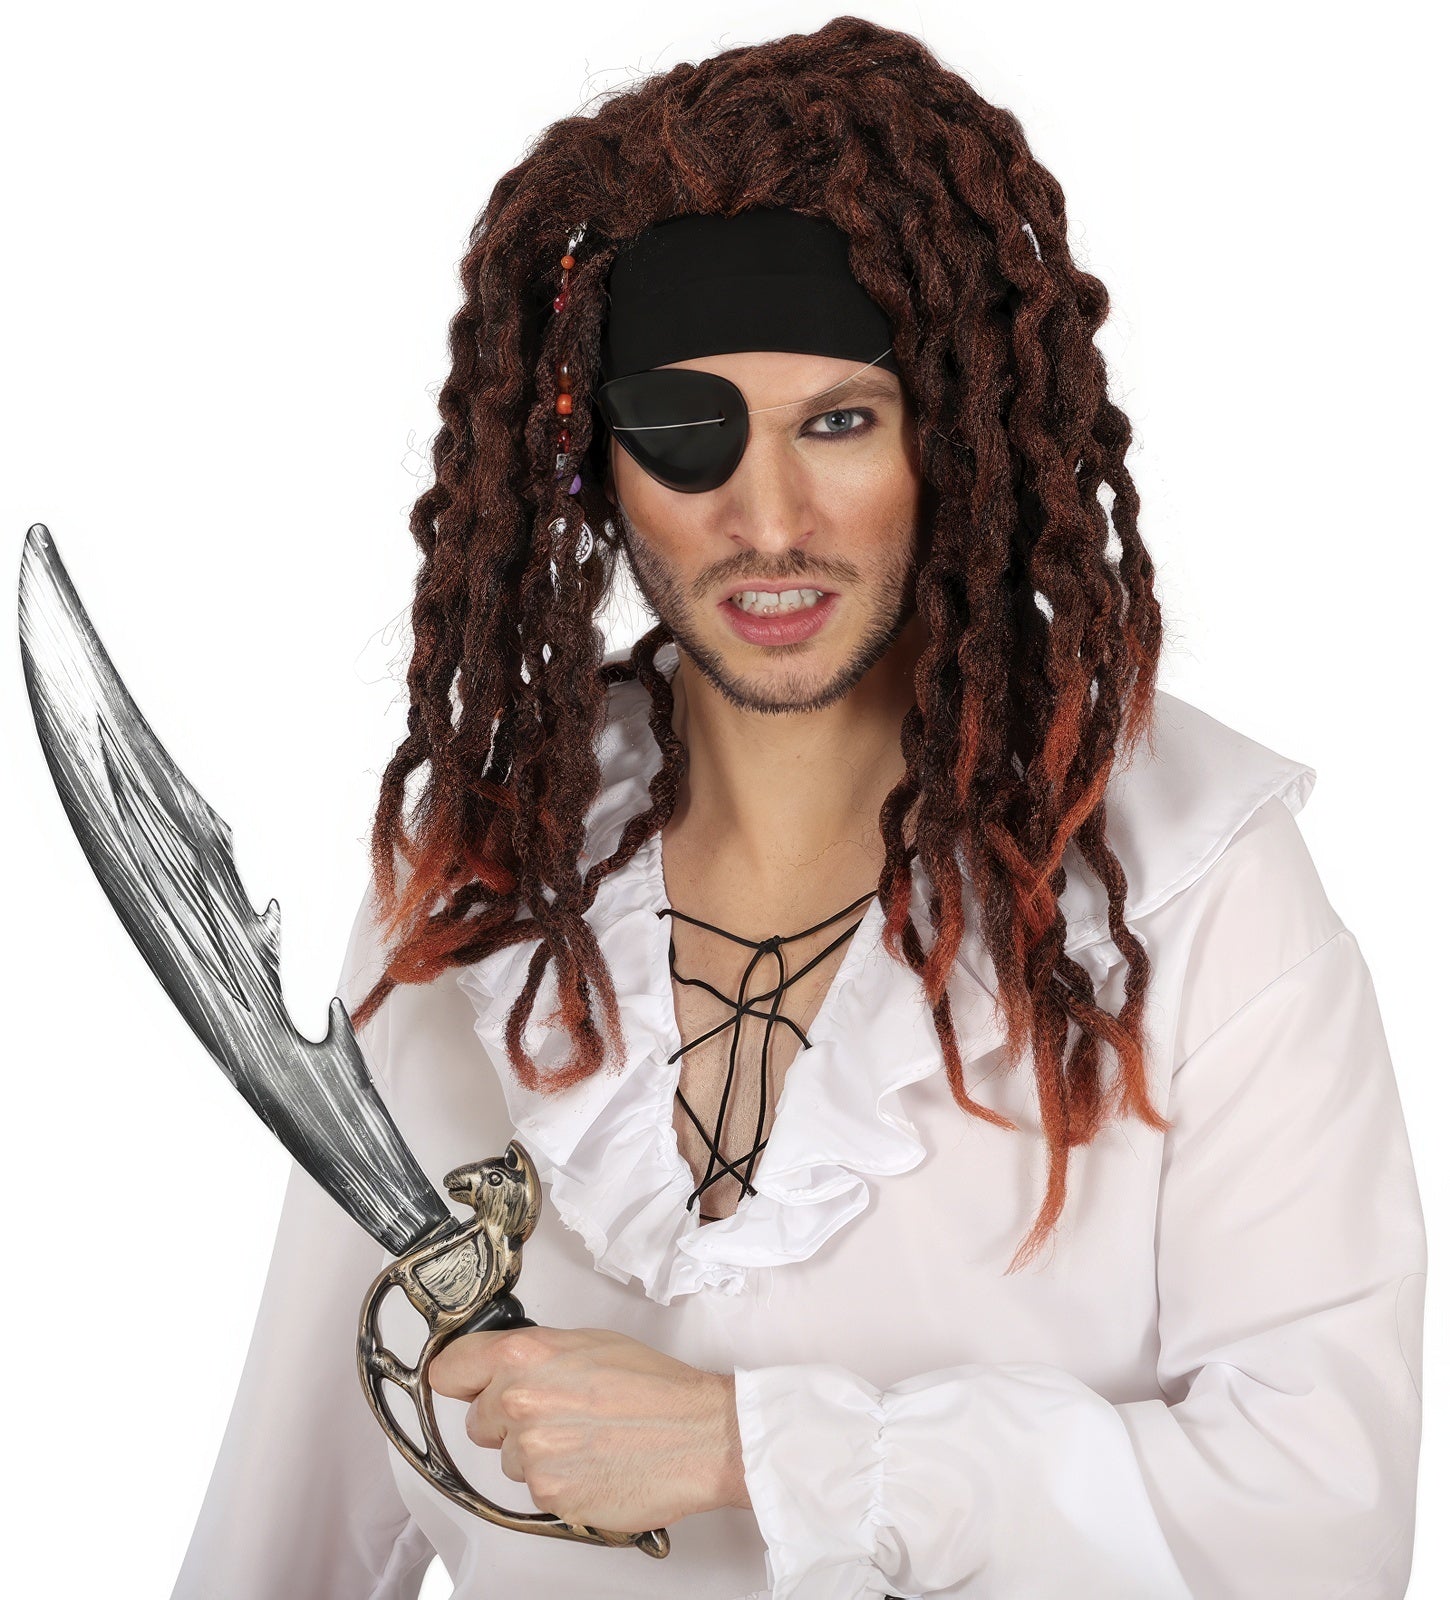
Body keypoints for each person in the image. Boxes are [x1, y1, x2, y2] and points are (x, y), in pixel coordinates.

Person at [172, 17, 1426, 1600]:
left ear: (948, 441)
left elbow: (1319, 1521)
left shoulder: (1189, 886)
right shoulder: (488, 888)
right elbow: (290, 1519)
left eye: (839, 422)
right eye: (685, 434)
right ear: (595, 463)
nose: (768, 523)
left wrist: (759, 1452)